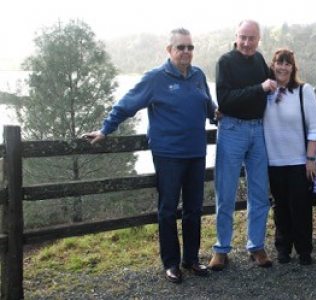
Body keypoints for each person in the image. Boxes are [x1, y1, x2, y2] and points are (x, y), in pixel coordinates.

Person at [82, 28, 216, 283]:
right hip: (168, 154)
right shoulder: (155, 78)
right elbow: (126, 104)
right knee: (167, 209)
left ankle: (191, 259)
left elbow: (208, 105)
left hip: (196, 152)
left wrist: (218, 115)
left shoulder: (198, 75)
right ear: (169, 50)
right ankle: (171, 263)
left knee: (193, 209)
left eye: (190, 47)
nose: (186, 52)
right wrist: (105, 129)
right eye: (181, 47)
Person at [208, 19, 277, 271]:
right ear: (235, 36)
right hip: (233, 129)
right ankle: (221, 249)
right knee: (225, 191)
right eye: (243, 37)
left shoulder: (260, 61)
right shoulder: (225, 62)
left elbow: (275, 85)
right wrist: (259, 88)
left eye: (252, 38)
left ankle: (256, 245)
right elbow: (225, 99)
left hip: (258, 130)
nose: (247, 43)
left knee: (259, 192)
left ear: (259, 39)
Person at [263, 48, 316, 265]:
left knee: (301, 207)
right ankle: (283, 249)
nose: (283, 67)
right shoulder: (265, 92)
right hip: (273, 160)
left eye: (287, 64)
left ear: (293, 67)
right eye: (280, 63)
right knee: (280, 207)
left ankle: (304, 250)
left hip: (299, 161)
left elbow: (315, 127)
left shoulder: (303, 91)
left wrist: (310, 159)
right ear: (273, 65)